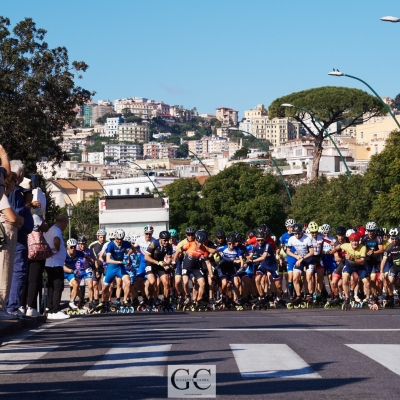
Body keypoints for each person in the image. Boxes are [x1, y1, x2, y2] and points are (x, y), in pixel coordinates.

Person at [6, 160, 34, 317]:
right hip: (17, 237)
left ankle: (11, 305)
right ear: (20, 174)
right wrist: (27, 203)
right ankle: (12, 306)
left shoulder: (16, 191)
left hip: (18, 237)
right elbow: (14, 213)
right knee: (17, 271)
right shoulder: (15, 192)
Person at [0, 171, 24, 320]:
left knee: (7, 272)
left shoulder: (6, 197)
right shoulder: (3, 197)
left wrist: (18, 220)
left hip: (10, 237)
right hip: (6, 239)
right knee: (4, 272)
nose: (17, 183)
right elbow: (13, 218)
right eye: (15, 180)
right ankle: (1, 307)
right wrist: (19, 220)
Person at [25, 201, 50, 316]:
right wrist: (41, 215)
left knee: (23, 279)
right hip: (36, 251)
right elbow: (45, 228)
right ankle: (31, 306)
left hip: (24, 249)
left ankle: (21, 305)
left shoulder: (22, 215)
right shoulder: (35, 217)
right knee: (34, 280)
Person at [44, 215, 70, 319]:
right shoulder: (57, 230)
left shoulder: (51, 229)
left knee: (51, 286)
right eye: (66, 223)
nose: (66, 226)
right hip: (55, 263)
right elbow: (56, 240)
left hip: (50, 263)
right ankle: (55, 310)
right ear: (63, 222)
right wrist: (56, 249)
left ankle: (50, 309)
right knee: (58, 286)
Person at [89, 229, 107, 305]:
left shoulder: (107, 244)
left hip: (106, 267)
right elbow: (90, 257)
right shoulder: (92, 245)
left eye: (103, 237)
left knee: (106, 285)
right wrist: (94, 268)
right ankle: (96, 301)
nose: (102, 239)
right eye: (101, 237)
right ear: (97, 237)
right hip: (96, 267)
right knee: (95, 285)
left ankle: (105, 301)